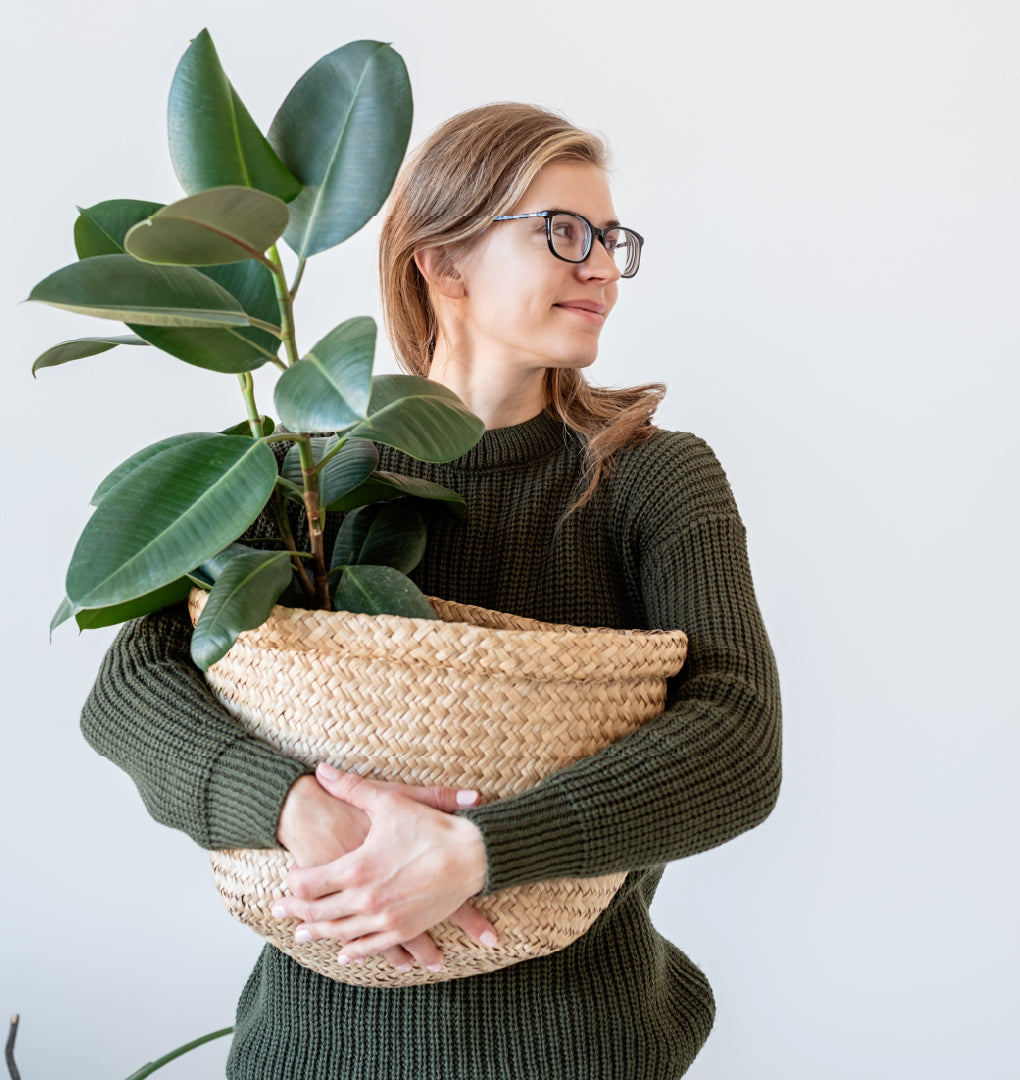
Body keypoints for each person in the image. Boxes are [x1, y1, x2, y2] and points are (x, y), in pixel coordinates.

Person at [82, 102, 782, 1080]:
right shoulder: (302, 473)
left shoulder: (654, 479)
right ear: (442, 263)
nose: (600, 267)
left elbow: (739, 739)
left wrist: (475, 852)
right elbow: (132, 678)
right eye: (564, 233)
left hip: (581, 1050)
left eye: (612, 240)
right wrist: (295, 808)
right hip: (314, 1052)